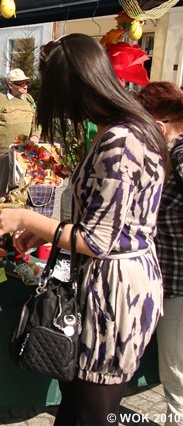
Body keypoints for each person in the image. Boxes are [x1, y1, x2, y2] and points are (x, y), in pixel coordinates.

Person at [0, 34, 167, 425]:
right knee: (74, 409)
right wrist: (49, 231)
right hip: (107, 284)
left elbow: (98, 240)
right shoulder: (121, 129)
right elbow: (108, 220)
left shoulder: (121, 142)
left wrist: (27, 219)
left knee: (90, 412)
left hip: (114, 295)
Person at [137, 81, 183, 426]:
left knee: (176, 375)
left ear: (160, 124)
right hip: (170, 280)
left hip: (180, 286)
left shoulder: (180, 153)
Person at [0, 68, 40, 194]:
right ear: (10, 85)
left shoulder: (29, 99)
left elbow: (37, 121)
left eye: (26, 82)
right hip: (3, 153)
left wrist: (35, 136)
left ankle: (14, 207)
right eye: (21, 83)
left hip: (24, 152)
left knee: (19, 189)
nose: (25, 86)